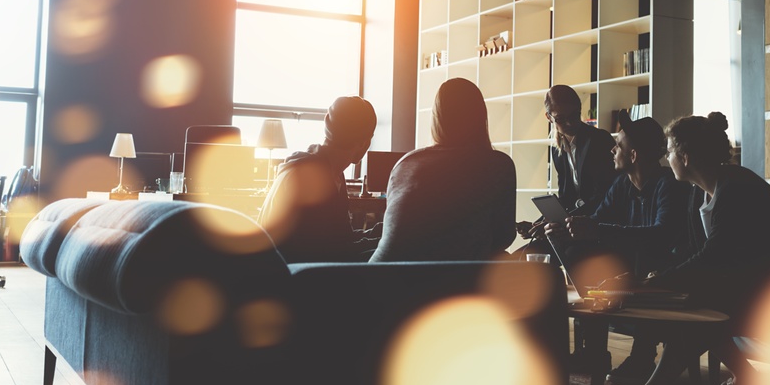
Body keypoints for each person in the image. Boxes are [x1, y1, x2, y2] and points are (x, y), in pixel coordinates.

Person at [600, 112, 770, 385]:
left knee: (697, 311)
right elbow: (694, 253)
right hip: (751, 288)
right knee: (694, 307)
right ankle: (741, 384)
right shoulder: (700, 193)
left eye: (669, 151)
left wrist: (651, 284)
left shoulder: (736, 188)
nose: (666, 157)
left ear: (684, 156)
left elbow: (715, 257)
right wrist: (656, 278)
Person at [545, 109, 690, 385]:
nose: (612, 150)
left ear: (633, 155)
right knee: (576, 250)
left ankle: (642, 356)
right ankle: (593, 351)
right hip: (632, 267)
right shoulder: (621, 184)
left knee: (647, 255)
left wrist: (596, 230)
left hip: (664, 272)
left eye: (619, 145)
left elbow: (662, 237)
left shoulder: (667, 185)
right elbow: (598, 223)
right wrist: (567, 230)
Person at [369, 78, 516, 261]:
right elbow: (504, 237)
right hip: (447, 279)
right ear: (480, 117)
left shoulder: (406, 162)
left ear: (437, 117)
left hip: (380, 276)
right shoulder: (498, 165)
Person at [259, 96, 380, 263]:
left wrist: (381, 234)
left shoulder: (328, 172)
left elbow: (341, 239)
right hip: (291, 280)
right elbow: (330, 253)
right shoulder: (313, 179)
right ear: (364, 143)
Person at [516, 85, 617, 243]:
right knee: (525, 255)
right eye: (561, 119)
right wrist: (539, 223)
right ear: (548, 117)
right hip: (572, 228)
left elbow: (604, 196)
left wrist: (557, 222)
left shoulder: (599, 140)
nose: (569, 123)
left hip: (597, 227)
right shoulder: (557, 150)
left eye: (574, 116)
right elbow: (566, 197)